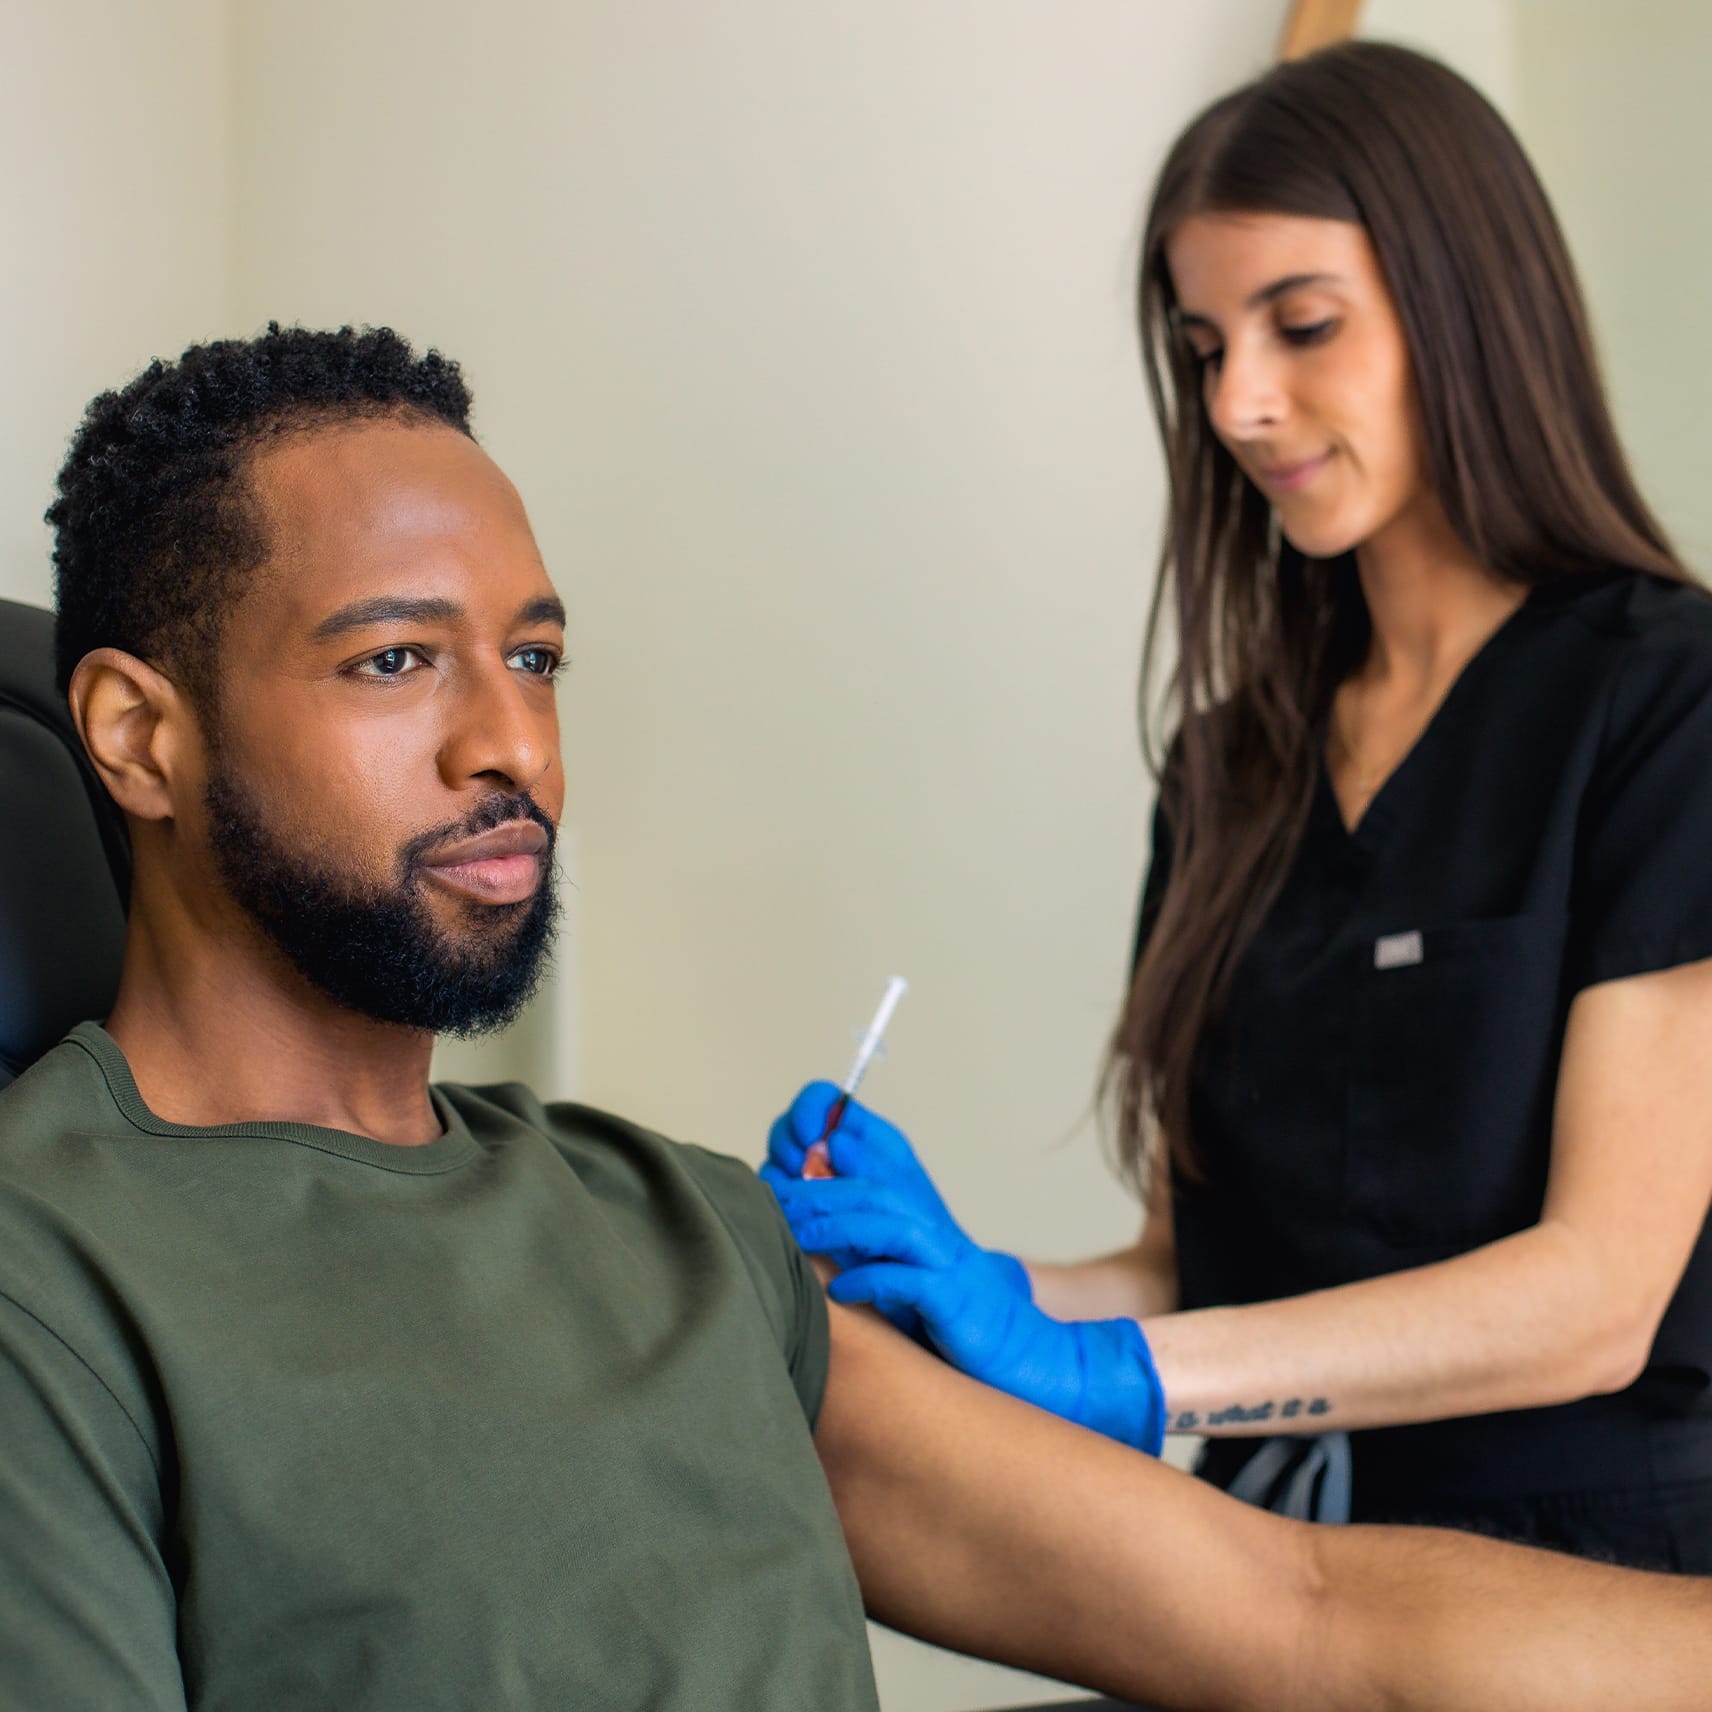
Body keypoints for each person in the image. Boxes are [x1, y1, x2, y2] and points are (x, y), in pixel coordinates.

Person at [5, 324, 1712, 1712]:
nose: (511, 746)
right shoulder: (55, 1279)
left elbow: (1306, 1614)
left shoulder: (678, 1226)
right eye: (396, 661)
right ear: (142, 737)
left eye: (535, 659)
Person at [764, 39, 1712, 1567]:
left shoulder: (1666, 704)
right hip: (1267, 1580)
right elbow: (1190, 1279)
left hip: (1589, 1589)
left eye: (1302, 325)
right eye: (1205, 347)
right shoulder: (1229, 771)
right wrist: (948, 1286)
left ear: (1469, 302)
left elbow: (1598, 1298)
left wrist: (1110, 1375)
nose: (1240, 403)